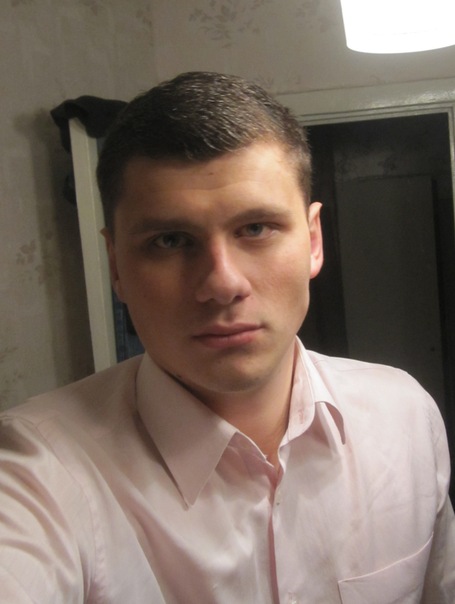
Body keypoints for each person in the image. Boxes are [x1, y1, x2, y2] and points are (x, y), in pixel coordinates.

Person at [0, 72, 454, 604]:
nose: (222, 283)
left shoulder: (406, 415)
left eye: (256, 229)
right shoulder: (40, 473)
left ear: (313, 241)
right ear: (116, 265)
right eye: (170, 240)